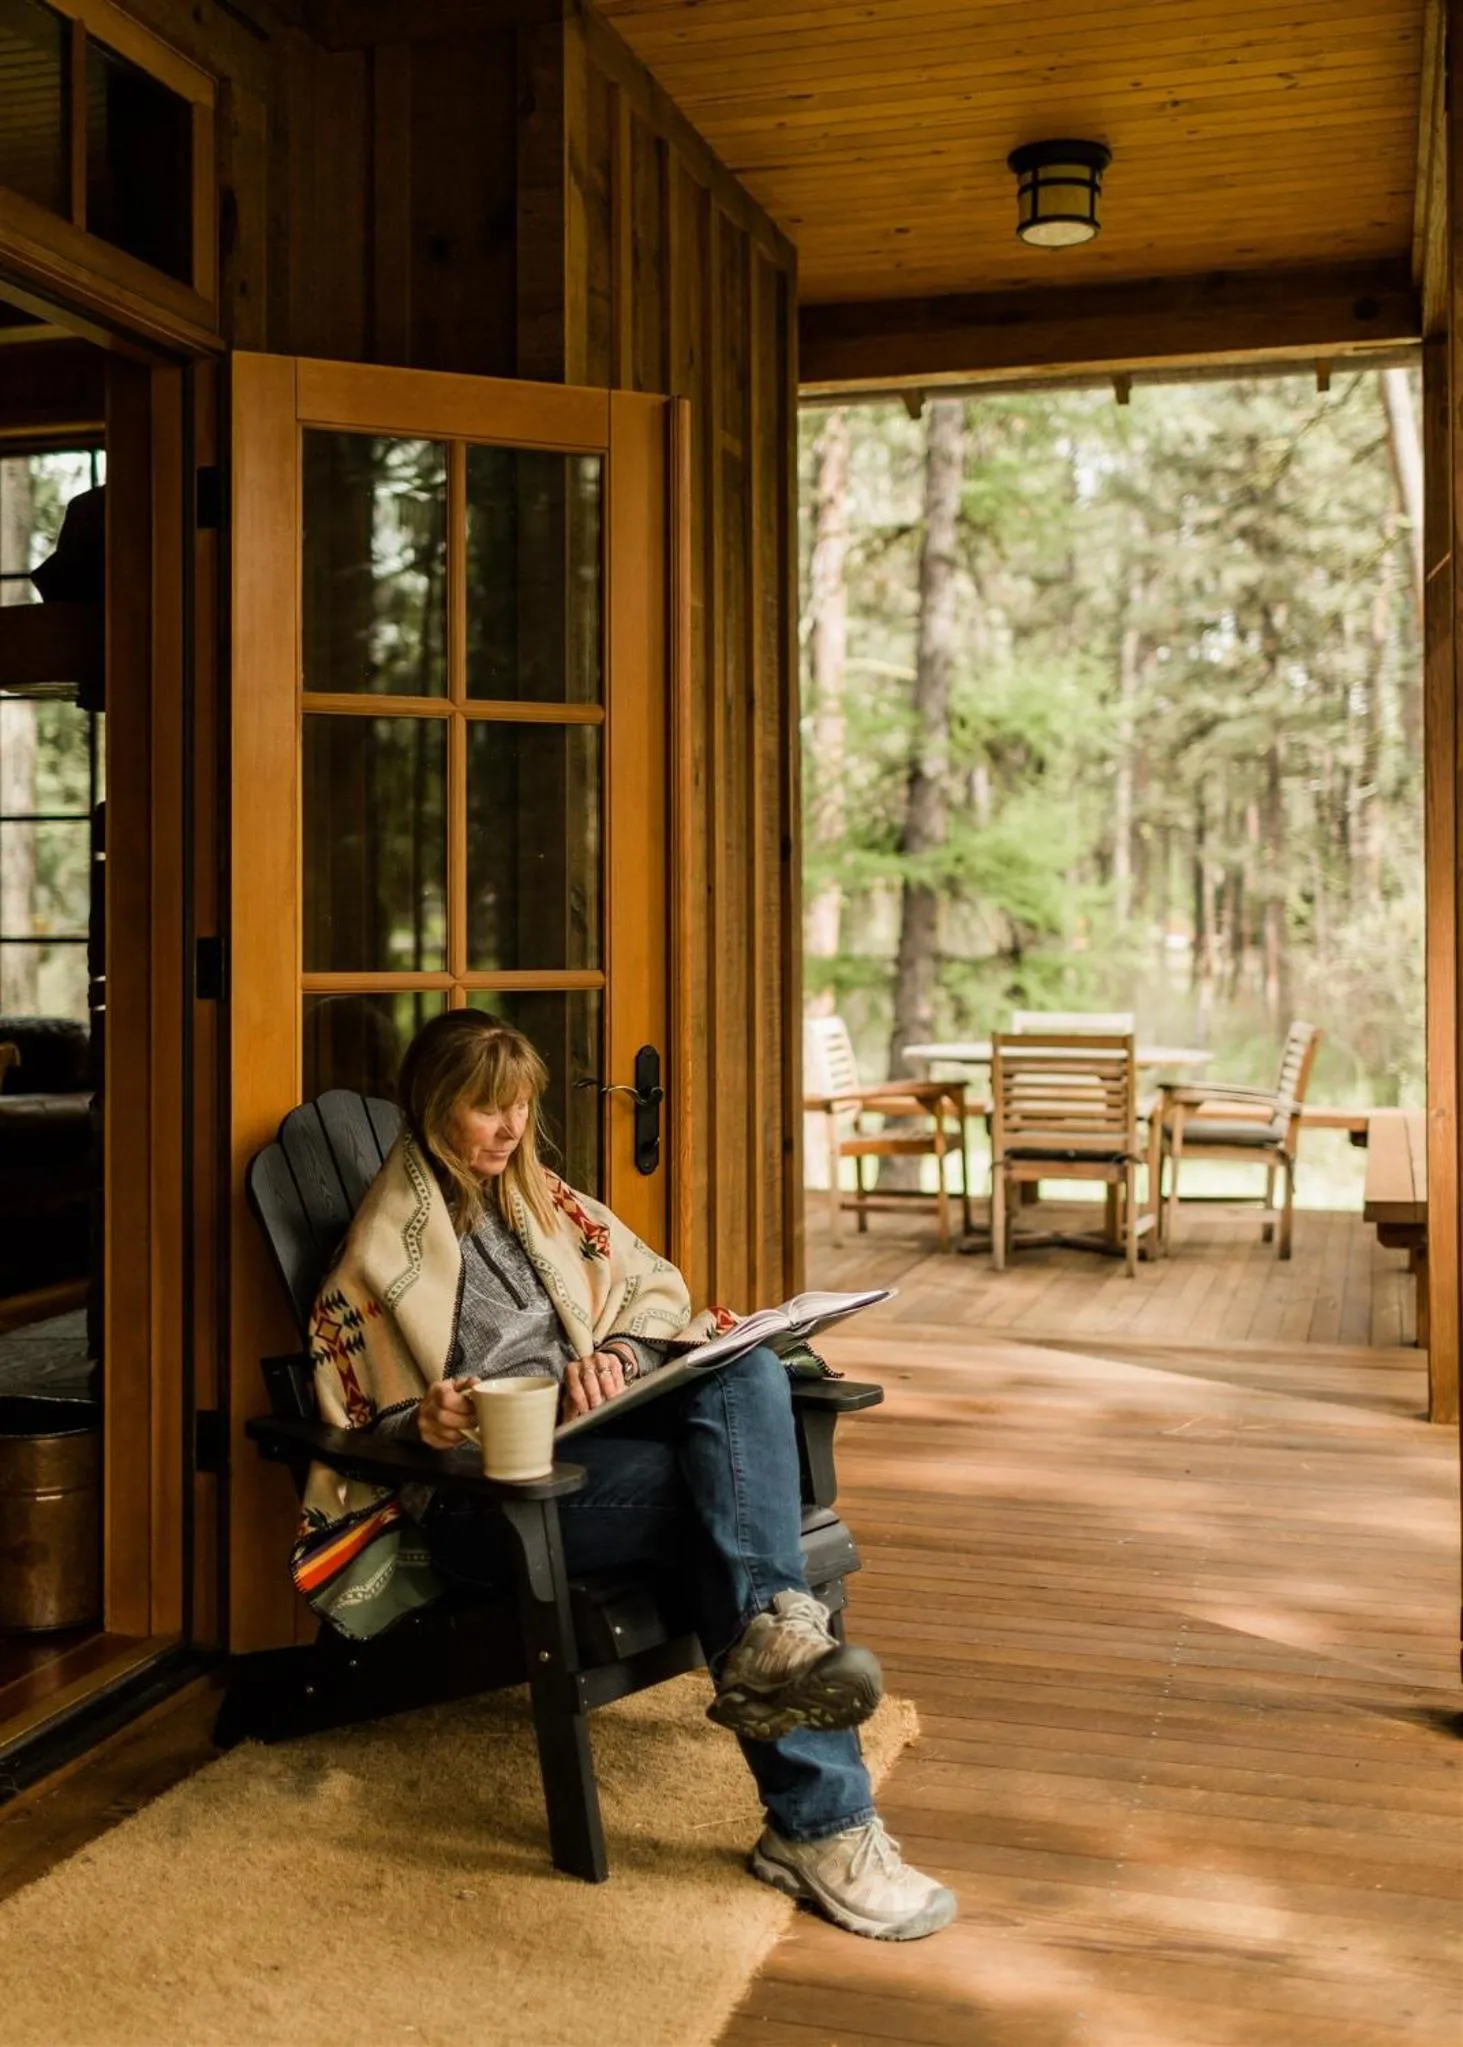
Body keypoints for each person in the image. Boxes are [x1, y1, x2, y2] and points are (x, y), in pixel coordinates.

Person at [295, 1010, 956, 1942]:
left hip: (595, 1448)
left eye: (520, 1105)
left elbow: (651, 1293)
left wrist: (618, 1352)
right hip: (498, 1499)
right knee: (733, 1510)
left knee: (746, 1366)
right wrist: (430, 1419)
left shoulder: (542, 1203)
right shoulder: (382, 1246)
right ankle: (822, 1820)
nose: (511, 1128)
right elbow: (364, 1403)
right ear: (433, 1105)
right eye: (486, 1108)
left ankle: (782, 1657)